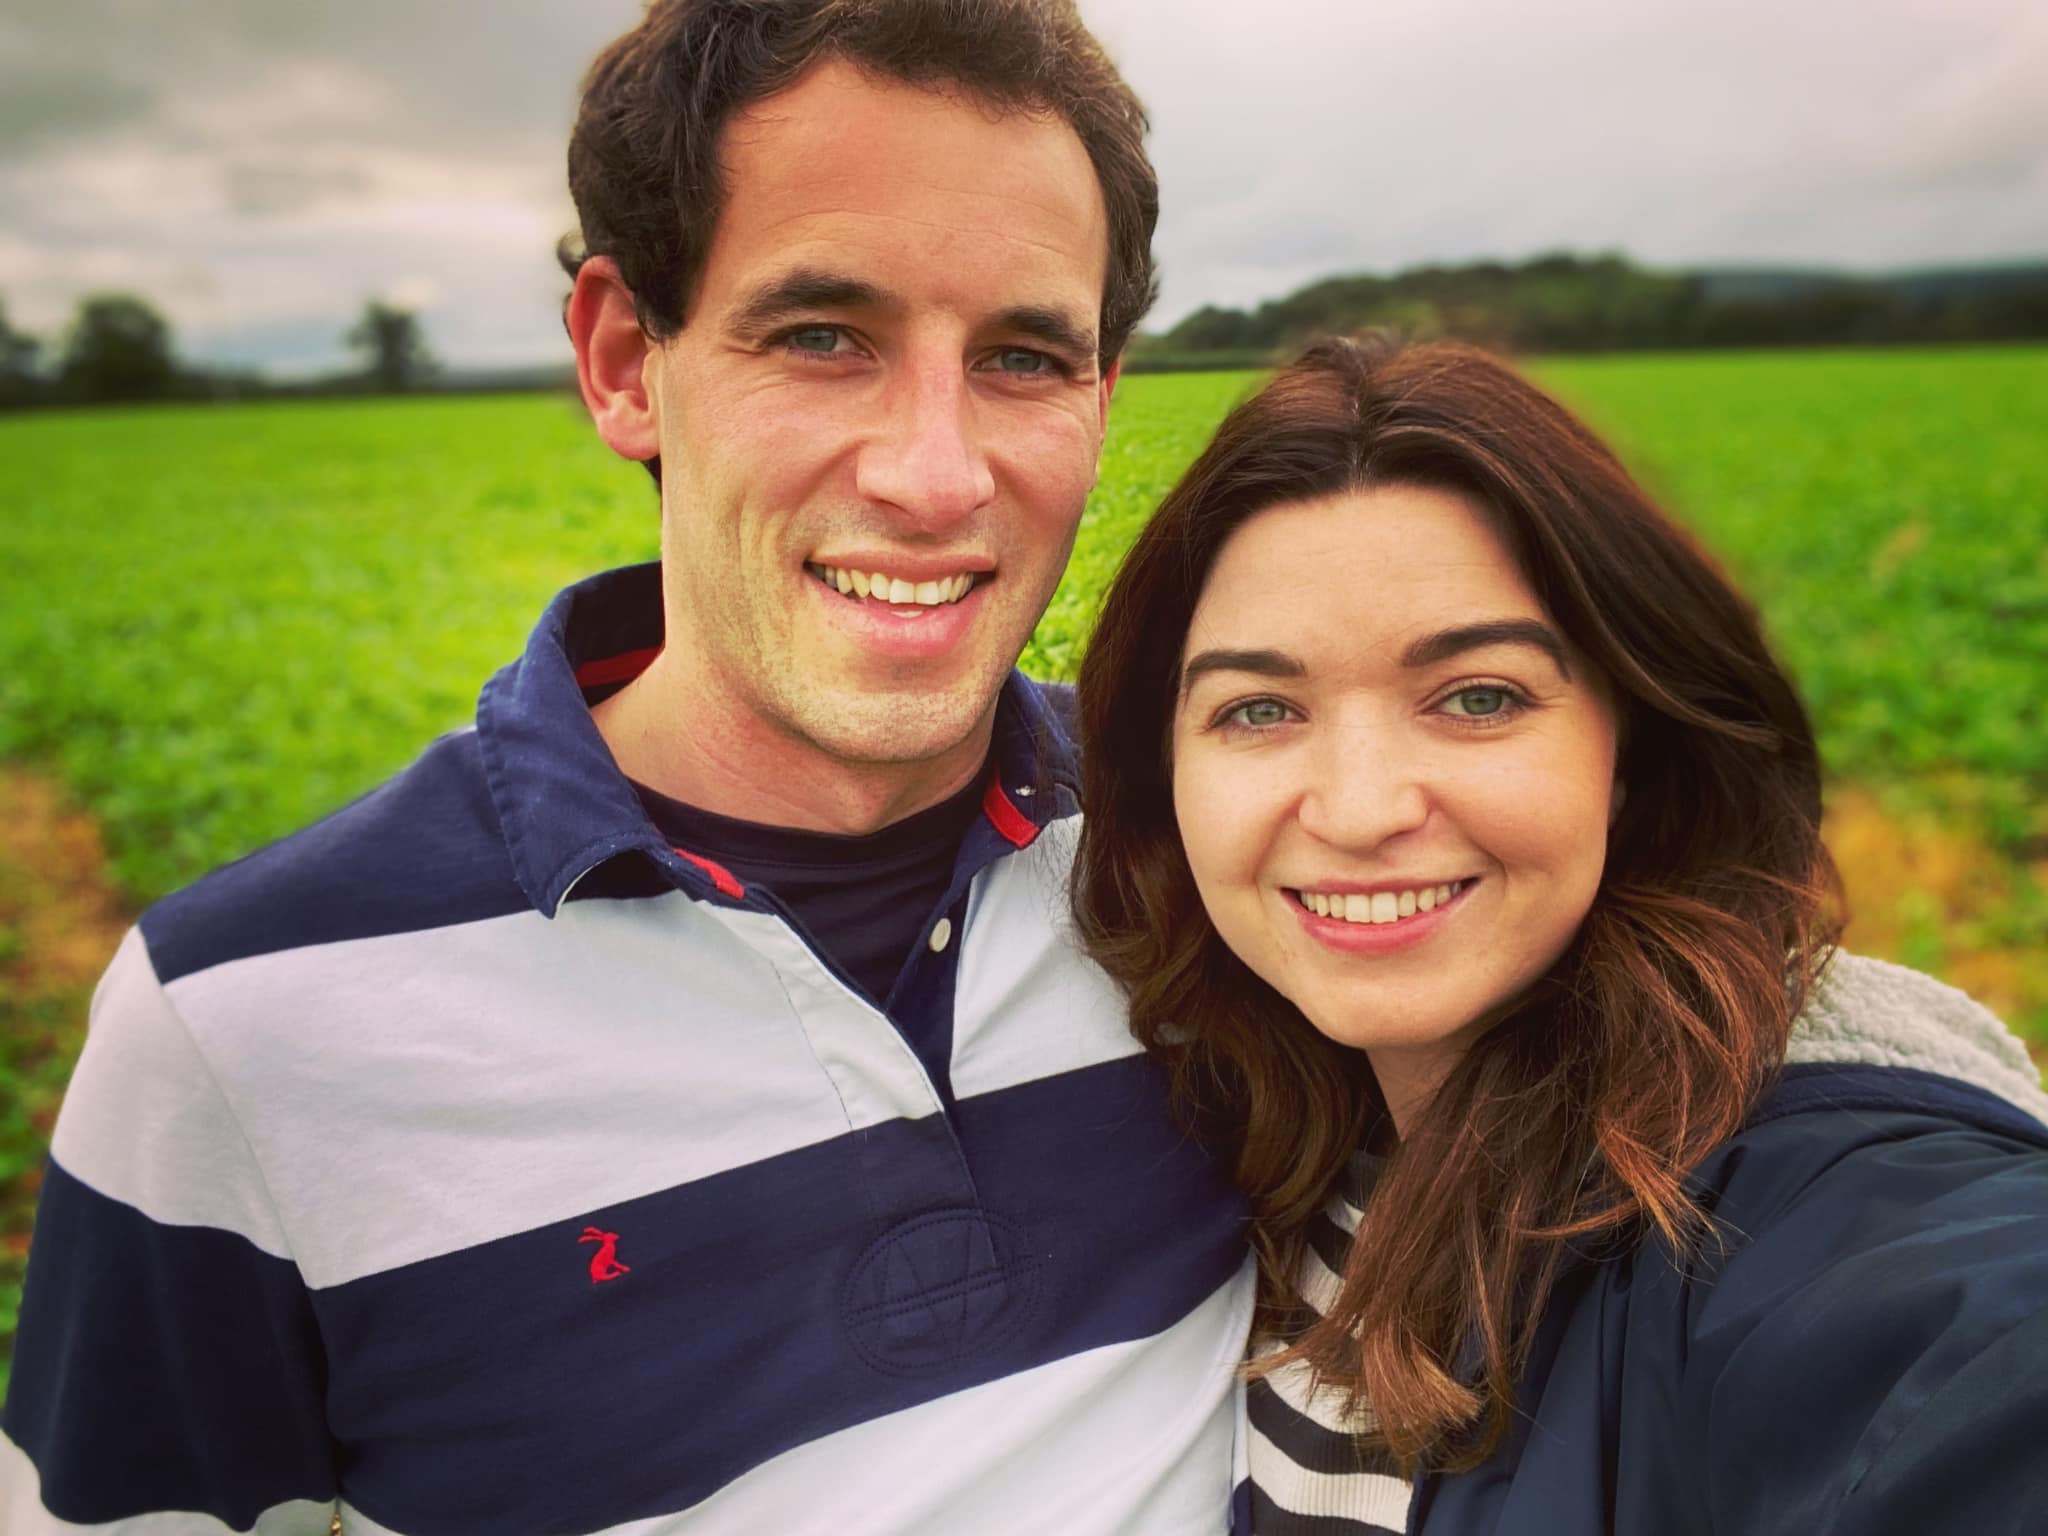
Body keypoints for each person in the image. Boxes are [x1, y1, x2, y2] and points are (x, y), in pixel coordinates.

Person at [2, 4, 1254, 1532]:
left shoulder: (1226, 846)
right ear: (622, 363)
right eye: (821, 337)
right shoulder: (244, 1023)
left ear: (1101, 399)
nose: (936, 473)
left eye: (1024, 355)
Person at [1072, 336, 2048, 1535]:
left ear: (1630, 750)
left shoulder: (1792, 1187)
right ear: (1161, 773)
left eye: (1477, 697)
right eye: (1258, 709)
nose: (1361, 809)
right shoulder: (1247, 1138)